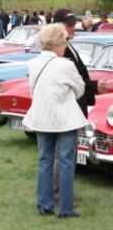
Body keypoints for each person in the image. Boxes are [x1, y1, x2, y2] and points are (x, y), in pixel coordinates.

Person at [23, 24, 87, 218]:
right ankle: (66, 208)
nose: (65, 46)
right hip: (65, 119)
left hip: (42, 117)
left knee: (45, 160)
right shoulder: (66, 64)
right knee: (66, 162)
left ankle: (44, 204)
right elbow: (80, 89)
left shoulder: (32, 64)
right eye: (64, 42)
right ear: (58, 43)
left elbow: (33, 90)